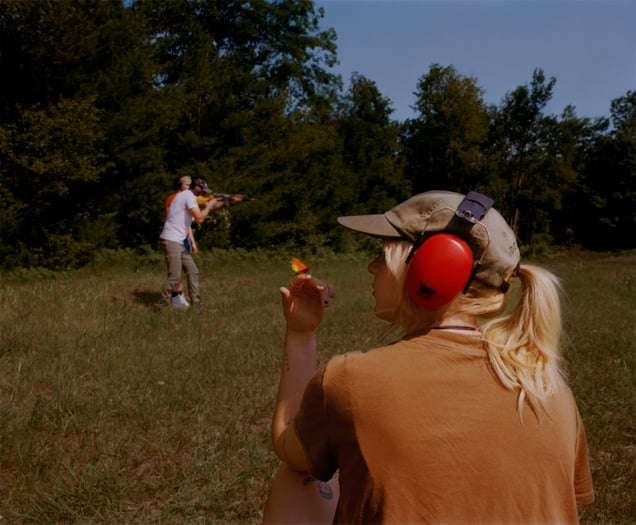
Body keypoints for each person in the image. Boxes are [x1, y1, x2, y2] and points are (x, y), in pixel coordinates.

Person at [263, 190, 594, 524]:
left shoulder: (351, 379)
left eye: (384, 254)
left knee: (296, 482)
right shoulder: (549, 390)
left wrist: (301, 333)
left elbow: (288, 444)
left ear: (435, 266)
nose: (372, 266)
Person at [155, 177, 224, 309]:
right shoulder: (189, 196)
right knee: (175, 276)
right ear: (196, 189)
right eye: (202, 191)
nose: (202, 194)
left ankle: (196, 304)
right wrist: (210, 205)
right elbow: (200, 218)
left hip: (178, 241)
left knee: (193, 271)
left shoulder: (185, 196)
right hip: (172, 240)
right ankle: (161, 303)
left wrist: (225, 202)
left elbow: (204, 208)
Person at [164, 175, 197, 308]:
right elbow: (172, 220)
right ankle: (176, 296)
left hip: (185, 238)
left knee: (187, 269)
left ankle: (181, 296)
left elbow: (187, 223)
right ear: (180, 185)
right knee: (176, 271)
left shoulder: (189, 197)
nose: (190, 187)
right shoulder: (172, 199)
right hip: (175, 238)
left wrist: (192, 241)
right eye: (187, 184)